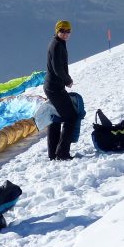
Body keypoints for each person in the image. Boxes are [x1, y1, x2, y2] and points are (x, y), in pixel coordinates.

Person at [43, 20, 77, 160]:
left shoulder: (57, 43)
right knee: (71, 117)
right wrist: (67, 80)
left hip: (52, 87)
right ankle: (62, 153)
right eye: (62, 31)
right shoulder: (57, 45)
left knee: (56, 118)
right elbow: (57, 67)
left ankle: (53, 153)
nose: (65, 34)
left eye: (68, 31)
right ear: (57, 31)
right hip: (55, 88)